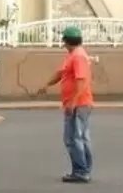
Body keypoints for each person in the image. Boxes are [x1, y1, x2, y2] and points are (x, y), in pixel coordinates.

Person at [36, 26, 94, 184]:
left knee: (73, 138)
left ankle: (81, 172)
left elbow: (81, 81)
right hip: (77, 103)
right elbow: (61, 73)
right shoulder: (73, 55)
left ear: (67, 41)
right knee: (79, 137)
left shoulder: (78, 57)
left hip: (79, 104)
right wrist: (47, 85)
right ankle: (83, 170)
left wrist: (73, 103)